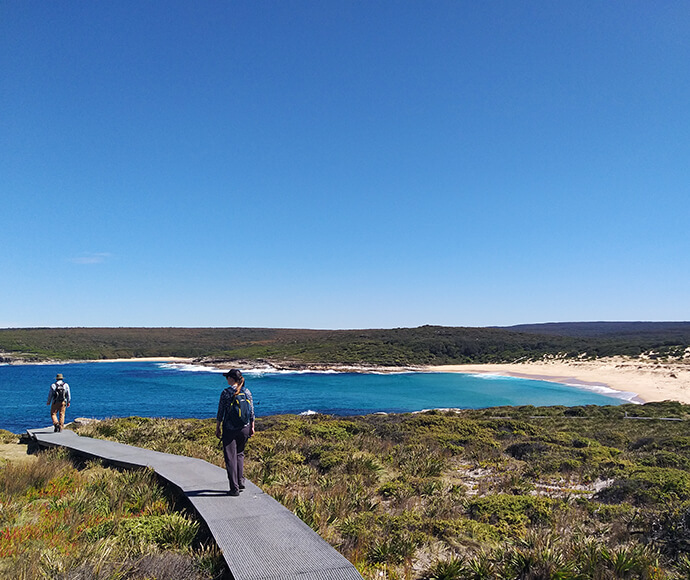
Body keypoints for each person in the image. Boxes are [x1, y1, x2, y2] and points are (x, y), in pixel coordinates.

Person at [216, 369, 255, 496]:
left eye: (227, 377)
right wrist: (252, 427)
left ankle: (234, 488)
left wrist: (218, 427)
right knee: (240, 454)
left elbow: (221, 412)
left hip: (230, 428)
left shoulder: (226, 393)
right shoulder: (247, 391)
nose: (226, 379)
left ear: (232, 379)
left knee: (230, 457)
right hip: (244, 427)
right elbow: (251, 411)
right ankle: (241, 481)